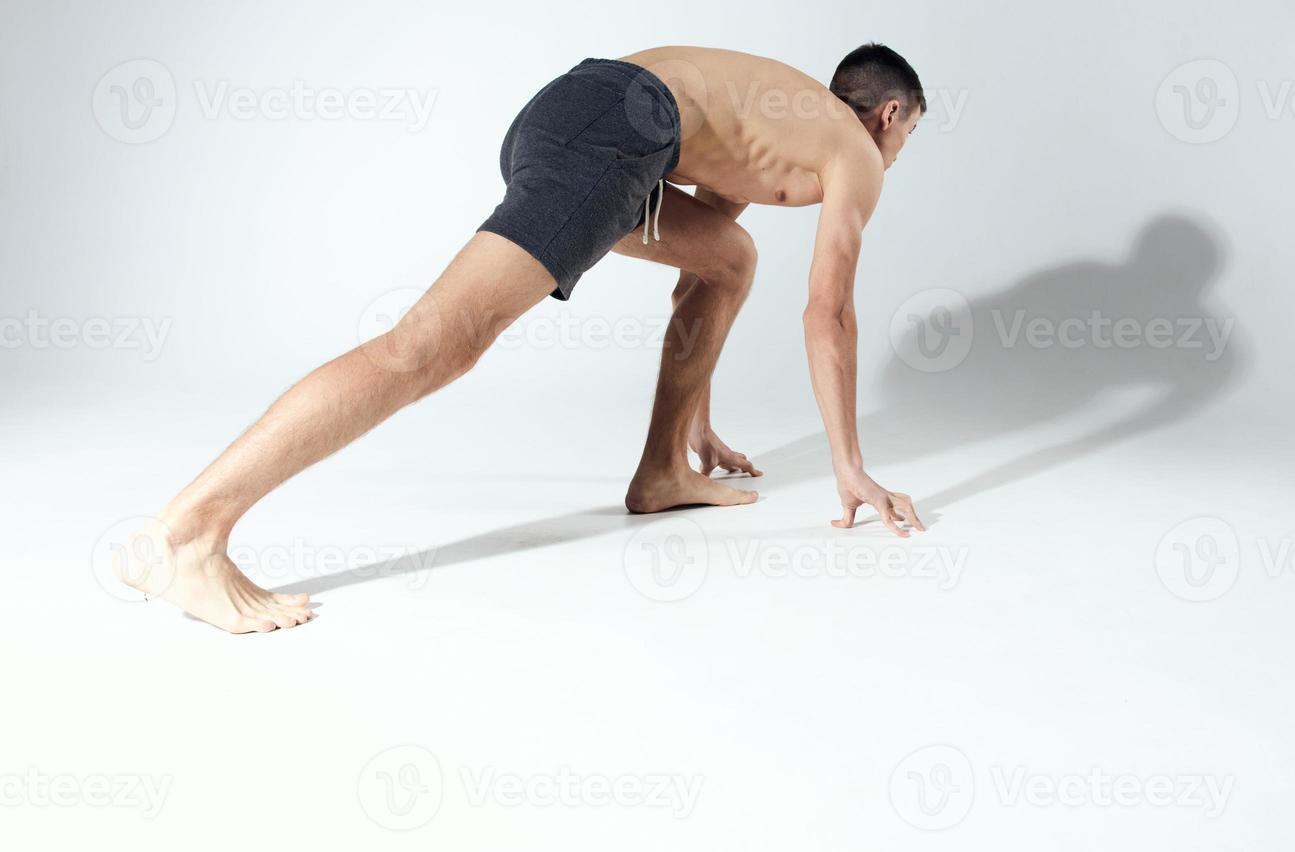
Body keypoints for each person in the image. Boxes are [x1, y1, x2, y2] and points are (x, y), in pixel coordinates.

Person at [119, 43, 929, 633]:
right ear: (889, 115)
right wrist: (849, 466)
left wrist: (697, 420)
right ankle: (188, 535)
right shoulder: (854, 150)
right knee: (428, 348)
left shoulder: (782, 125)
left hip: (579, 105)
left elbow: (704, 252)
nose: (897, 154)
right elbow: (830, 312)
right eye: (908, 134)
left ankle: (662, 470)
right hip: (618, 128)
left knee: (729, 260)